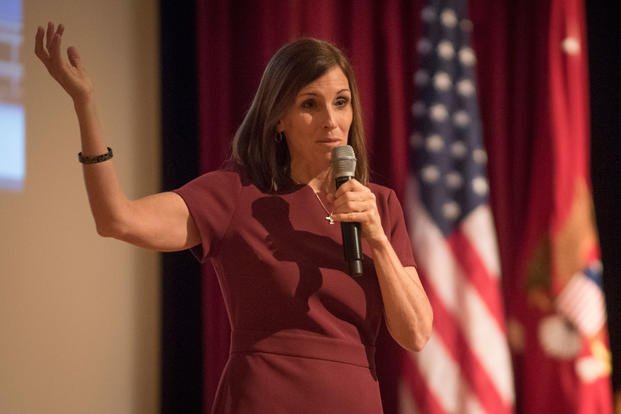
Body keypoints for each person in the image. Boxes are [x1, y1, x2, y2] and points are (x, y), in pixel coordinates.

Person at [35, 22, 433, 413]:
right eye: (310, 104)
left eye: (341, 102)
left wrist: (378, 240)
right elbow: (116, 219)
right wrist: (85, 104)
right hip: (264, 396)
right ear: (279, 118)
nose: (331, 120)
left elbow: (415, 334)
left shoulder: (379, 206)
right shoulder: (235, 194)